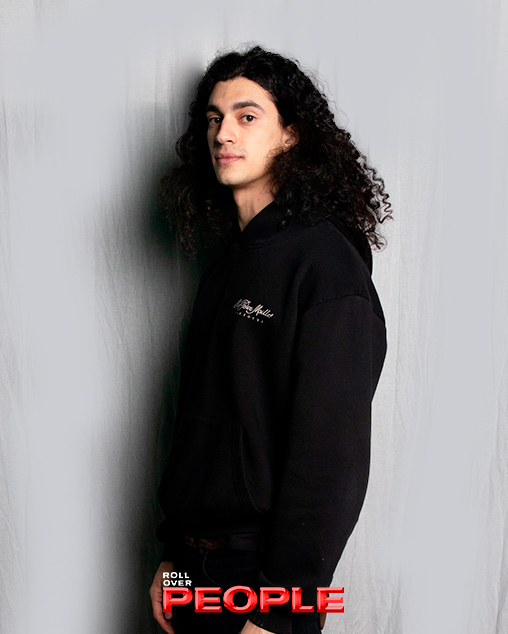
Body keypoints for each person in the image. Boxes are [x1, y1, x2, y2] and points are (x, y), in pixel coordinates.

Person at [149, 45, 391, 634]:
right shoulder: (227, 264)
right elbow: (200, 422)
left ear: (290, 136)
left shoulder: (325, 267)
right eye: (214, 117)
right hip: (193, 569)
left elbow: (330, 459)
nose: (223, 133)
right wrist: (175, 561)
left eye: (247, 115)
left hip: (261, 578)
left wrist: (281, 610)